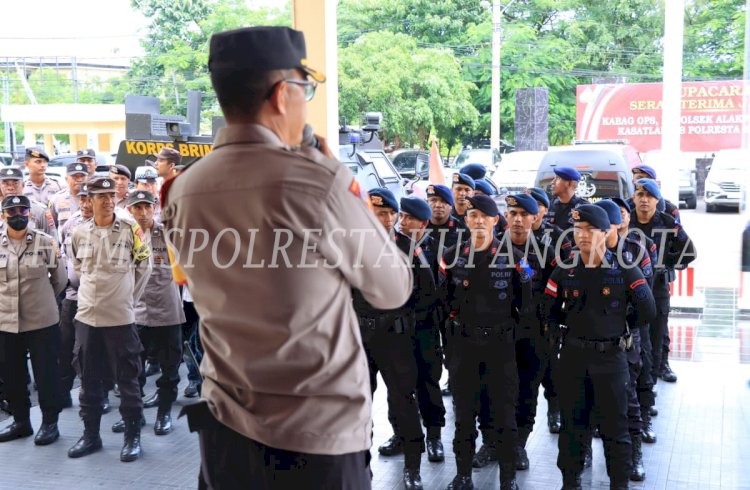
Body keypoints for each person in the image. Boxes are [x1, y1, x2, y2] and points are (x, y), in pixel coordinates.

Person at [160, 26, 412, 489]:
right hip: (317, 439)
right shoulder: (314, 183)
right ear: (281, 95)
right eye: (305, 89)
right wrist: (334, 176)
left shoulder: (183, 188)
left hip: (225, 433)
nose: (305, 102)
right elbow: (393, 288)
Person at [543, 204, 656, 490]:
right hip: (574, 358)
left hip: (611, 359)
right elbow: (547, 309)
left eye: (590, 230)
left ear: (606, 233)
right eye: (578, 230)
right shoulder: (564, 269)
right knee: (572, 427)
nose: (582, 236)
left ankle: (619, 483)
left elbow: (647, 310)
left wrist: (619, 326)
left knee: (616, 429)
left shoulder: (624, 269)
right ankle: (571, 482)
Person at [441, 195, 530, 490]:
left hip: (500, 349)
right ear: (466, 220)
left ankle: (508, 479)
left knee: (504, 416)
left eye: (484, 216)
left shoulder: (515, 259)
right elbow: (442, 302)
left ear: (495, 221)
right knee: (464, 415)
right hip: (464, 347)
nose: (478, 220)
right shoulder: (452, 255)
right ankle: (463, 474)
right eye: (473, 215)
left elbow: (526, 305)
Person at [68, 177, 152, 462]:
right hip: (87, 318)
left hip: (120, 318)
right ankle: (90, 435)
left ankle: (132, 438)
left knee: (128, 380)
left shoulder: (131, 230)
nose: (106, 200)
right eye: (99, 195)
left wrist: (128, 299)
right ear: (89, 200)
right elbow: (78, 270)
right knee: (88, 380)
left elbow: (144, 266)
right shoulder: (79, 233)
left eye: (110, 194)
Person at [354, 188, 432, 489]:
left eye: (389, 213)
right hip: (361, 337)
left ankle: (413, 465)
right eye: (378, 212)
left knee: (403, 401)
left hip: (395, 339)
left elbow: (427, 293)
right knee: (359, 405)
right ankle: (361, 467)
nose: (384, 219)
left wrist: (403, 315)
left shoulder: (409, 247)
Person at [111, 191, 185, 436]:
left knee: (170, 368)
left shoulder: (170, 233)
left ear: (154, 207)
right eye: (137, 208)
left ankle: (164, 413)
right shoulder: (122, 235)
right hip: (137, 311)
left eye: (146, 207)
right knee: (133, 369)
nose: (142, 213)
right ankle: (135, 414)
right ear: (129, 210)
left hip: (168, 310)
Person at [629, 179, 696, 440]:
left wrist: (667, 265)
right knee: (632, 351)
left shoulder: (668, 222)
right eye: (640, 194)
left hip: (656, 291)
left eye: (649, 195)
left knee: (652, 349)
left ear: (658, 199)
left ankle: (646, 406)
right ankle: (630, 404)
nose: (644, 199)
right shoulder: (626, 220)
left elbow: (689, 252)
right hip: (630, 293)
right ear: (633, 197)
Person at [595, 199, 655, 482]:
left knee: (627, 400)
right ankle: (583, 455)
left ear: (616, 225)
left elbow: (645, 300)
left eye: (602, 226)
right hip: (589, 340)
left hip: (625, 338)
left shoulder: (634, 252)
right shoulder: (580, 254)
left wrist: (623, 327)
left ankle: (634, 456)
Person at [0, 195, 66, 446]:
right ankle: (21, 422)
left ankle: (50, 423)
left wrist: (42, 302)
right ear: (3, 215)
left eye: (22, 211)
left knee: (47, 374)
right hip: (6, 322)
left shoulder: (45, 242)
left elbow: (59, 280)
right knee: (13, 375)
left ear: (30, 213)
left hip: (41, 321)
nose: (17, 215)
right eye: (11, 211)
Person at [397, 195, 447, 463]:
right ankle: (400, 433)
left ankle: (434, 436)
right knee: (399, 387)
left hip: (425, 327)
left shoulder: (436, 250)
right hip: (396, 328)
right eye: (401, 217)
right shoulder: (391, 246)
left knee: (428, 382)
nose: (403, 223)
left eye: (409, 219)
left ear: (424, 223)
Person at [526, 186, 571, 433]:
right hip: (520, 314)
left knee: (551, 370)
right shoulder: (509, 236)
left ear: (543, 210)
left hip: (548, 313)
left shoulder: (557, 236)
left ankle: (554, 410)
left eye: (534, 206)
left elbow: (567, 271)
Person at [58, 183, 95, 408]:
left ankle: (92, 392)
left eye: (89, 199)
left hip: (95, 299)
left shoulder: (111, 225)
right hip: (72, 296)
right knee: (65, 345)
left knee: (90, 348)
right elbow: (62, 255)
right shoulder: (71, 223)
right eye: (82, 199)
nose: (84, 204)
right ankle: (63, 391)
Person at [0, 167, 57, 238]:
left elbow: (52, 240)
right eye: (5, 183)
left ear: (23, 185)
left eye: (15, 183)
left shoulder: (39, 210)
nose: (10, 188)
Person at [48, 162, 87, 229]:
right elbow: (52, 227)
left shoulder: (94, 198)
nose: (79, 180)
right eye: (75, 177)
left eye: (82, 176)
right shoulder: (57, 199)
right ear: (66, 179)